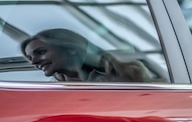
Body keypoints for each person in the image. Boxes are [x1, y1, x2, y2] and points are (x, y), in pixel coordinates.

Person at [21, 28, 152, 82]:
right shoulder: (50, 90)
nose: (34, 62)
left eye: (41, 52)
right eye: (30, 58)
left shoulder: (128, 71)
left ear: (71, 48)